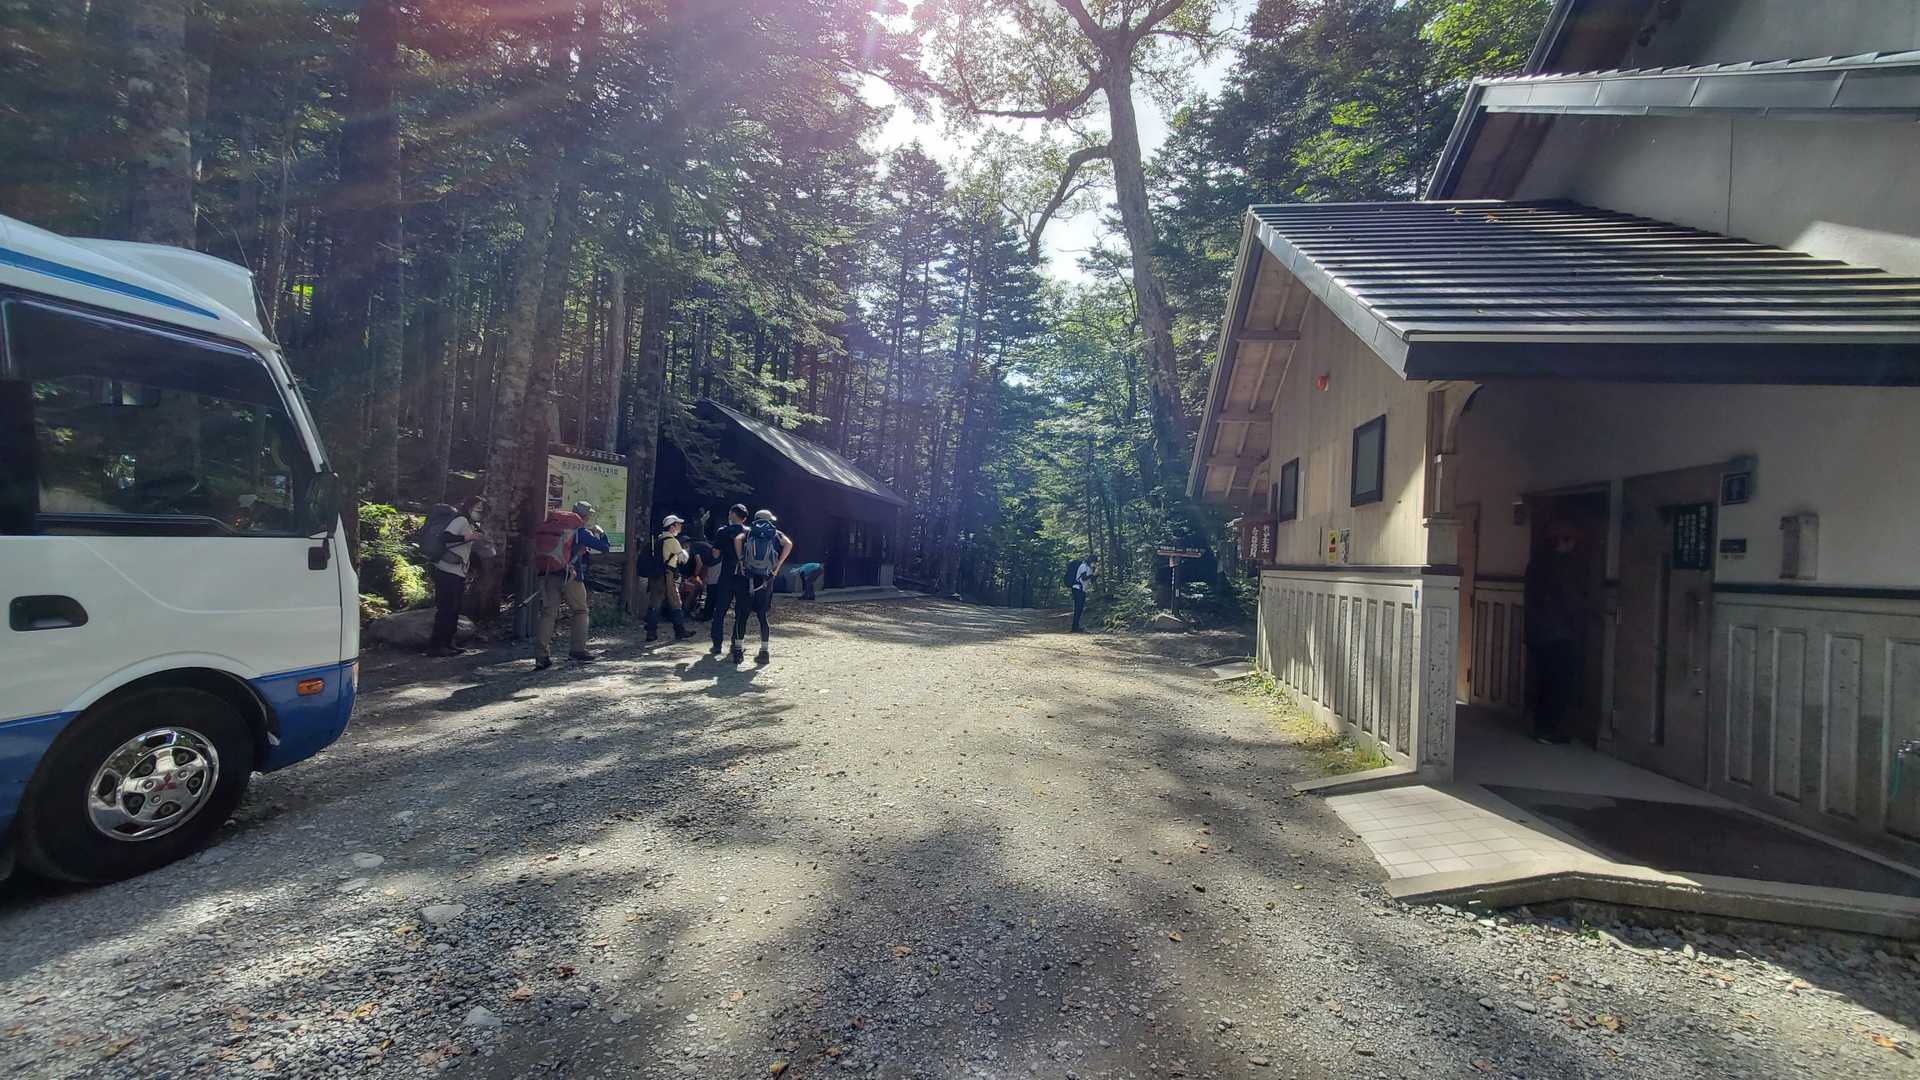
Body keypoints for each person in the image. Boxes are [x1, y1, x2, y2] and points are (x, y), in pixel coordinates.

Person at [1524, 520, 1589, 745]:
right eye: (1572, 541)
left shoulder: (1536, 564)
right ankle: (1548, 729)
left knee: (1544, 679)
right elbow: (1569, 599)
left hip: (1538, 632)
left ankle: (1541, 727)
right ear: (1563, 542)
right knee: (1558, 682)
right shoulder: (1560, 566)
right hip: (1558, 633)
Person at [533, 500, 609, 670]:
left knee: (548, 613)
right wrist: (602, 533)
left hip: (549, 573)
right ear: (585, 515)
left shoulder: (555, 527)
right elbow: (604, 547)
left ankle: (541, 656)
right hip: (571, 576)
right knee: (580, 610)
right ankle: (577, 650)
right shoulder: (580, 531)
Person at [427, 495, 487, 657]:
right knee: (446, 609)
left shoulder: (470, 524)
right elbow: (446, 537)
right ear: (469, 507)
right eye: (477, 507)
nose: (480, 510)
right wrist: (469, 537)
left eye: (482, 508)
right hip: (446, 570)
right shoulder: (460, 520)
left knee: (454, 609)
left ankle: (448, 642)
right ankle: (437, 645)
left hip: (458, 571)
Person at [732, 509, 793, 665]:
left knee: (742, 615)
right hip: (766, 579)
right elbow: (789, 544)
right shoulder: (776, 533)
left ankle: (738, 652)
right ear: (769, 520)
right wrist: (778, 565)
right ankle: (764, 652)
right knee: (762, 616)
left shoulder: (748, 531)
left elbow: (737, 540)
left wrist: (741, 561)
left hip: (747, 577)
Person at [707, 504, 751, 657]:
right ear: (744, 518)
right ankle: (736, 643)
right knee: (741, 611)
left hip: (726, 575)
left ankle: (717, 644)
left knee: (720, 610)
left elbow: (715, 554)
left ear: (732, 514)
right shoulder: (749, 532)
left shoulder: (723, 531)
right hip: (744, 576)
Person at [645, 514, 695, 642]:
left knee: (655, 603)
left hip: (656, 575)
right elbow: (683, 559)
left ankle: (651, 632)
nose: (680, 526)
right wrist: (685, 551)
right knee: (675, 601)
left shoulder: (659, 539)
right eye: (678, 524)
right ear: (672, 527)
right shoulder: (672, 541)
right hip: (667, 574)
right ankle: (680, 631)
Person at [1069, 554, 1098, 633]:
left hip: (1082, 590)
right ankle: (1074, 627)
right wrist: (1092, 575)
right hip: (1077, 589)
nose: (1094, 563)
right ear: (1091, 561)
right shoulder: (1083, 566)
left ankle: (1077, 626)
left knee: (1080, 608)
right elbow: (1084, 578)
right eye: (1094, 562)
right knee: (1078, 608)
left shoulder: (1089, 568)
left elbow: (1091, 581)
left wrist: (1096, 575)